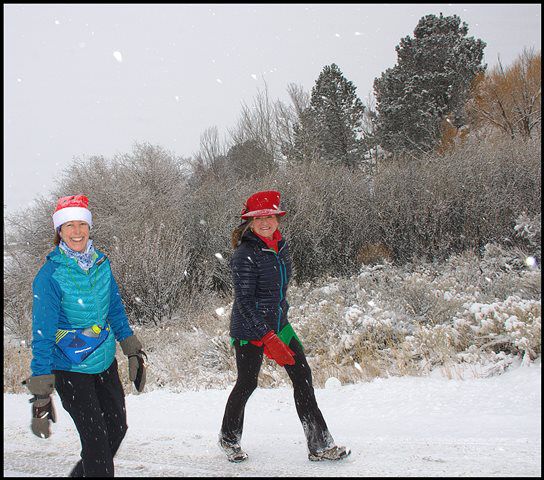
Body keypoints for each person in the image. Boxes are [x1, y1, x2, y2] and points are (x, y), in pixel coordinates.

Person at [218, 190, 351, 463]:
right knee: (247, 383)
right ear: (250, 222)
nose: (265, 221)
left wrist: (281, 322)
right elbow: (244, 302)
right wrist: (267, 337)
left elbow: (280, 291)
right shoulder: (245, 254)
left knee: (303, 378)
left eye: (269, 216)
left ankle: (320, 445)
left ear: (277, 218)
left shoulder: (280, 246)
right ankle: (229, 438)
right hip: (249, 328)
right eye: (258, 217)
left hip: (279, 323)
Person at [23, 194, 147, 477]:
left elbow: (114, 308)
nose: (77, 231)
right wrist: (41, 393)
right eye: (69, 226)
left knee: (116, 428)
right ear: (59, 231)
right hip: (70, 370)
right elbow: (42, 335)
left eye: (82, 224)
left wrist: (130, 347)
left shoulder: (102, 264)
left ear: (90, 228)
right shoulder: (50, 275)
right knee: (97, 446)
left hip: (104, 361)